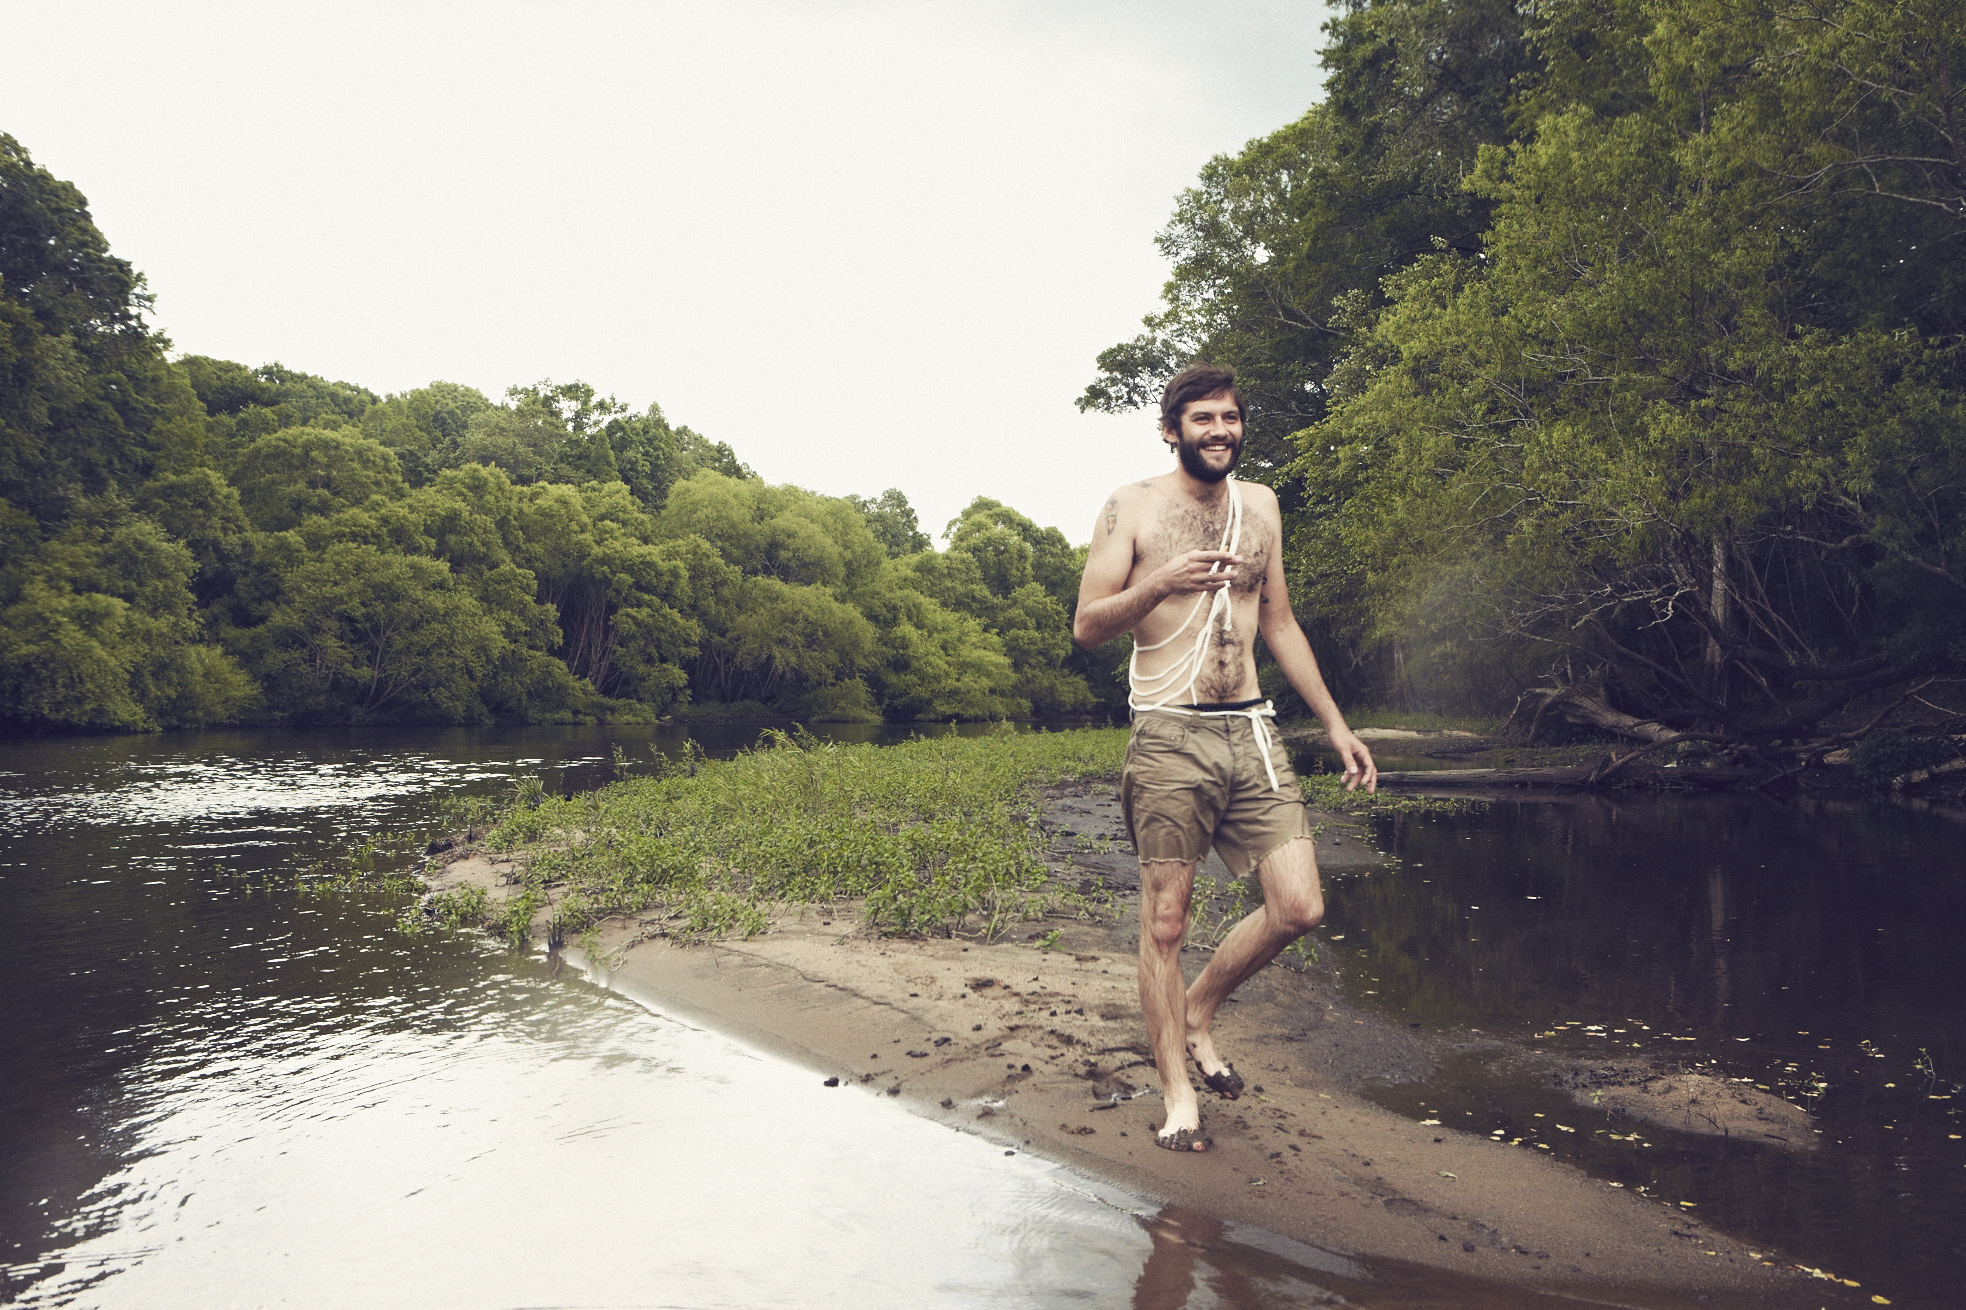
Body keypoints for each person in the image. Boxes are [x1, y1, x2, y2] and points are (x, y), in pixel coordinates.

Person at [1073, 363, 1377, 1153]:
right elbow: (1086, 626)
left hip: (1252, 729)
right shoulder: (1129, 508)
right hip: (1169, 733)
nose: (1220, 432)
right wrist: (1160, 582)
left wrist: (1336, 725)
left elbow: (1279, 622)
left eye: (1231, 419)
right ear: (1171, 430)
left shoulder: (1262, 507)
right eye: (1202, 419)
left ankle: (1200, 1009)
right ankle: (1178, 1094)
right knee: (1166, 921)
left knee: (1300, 906)